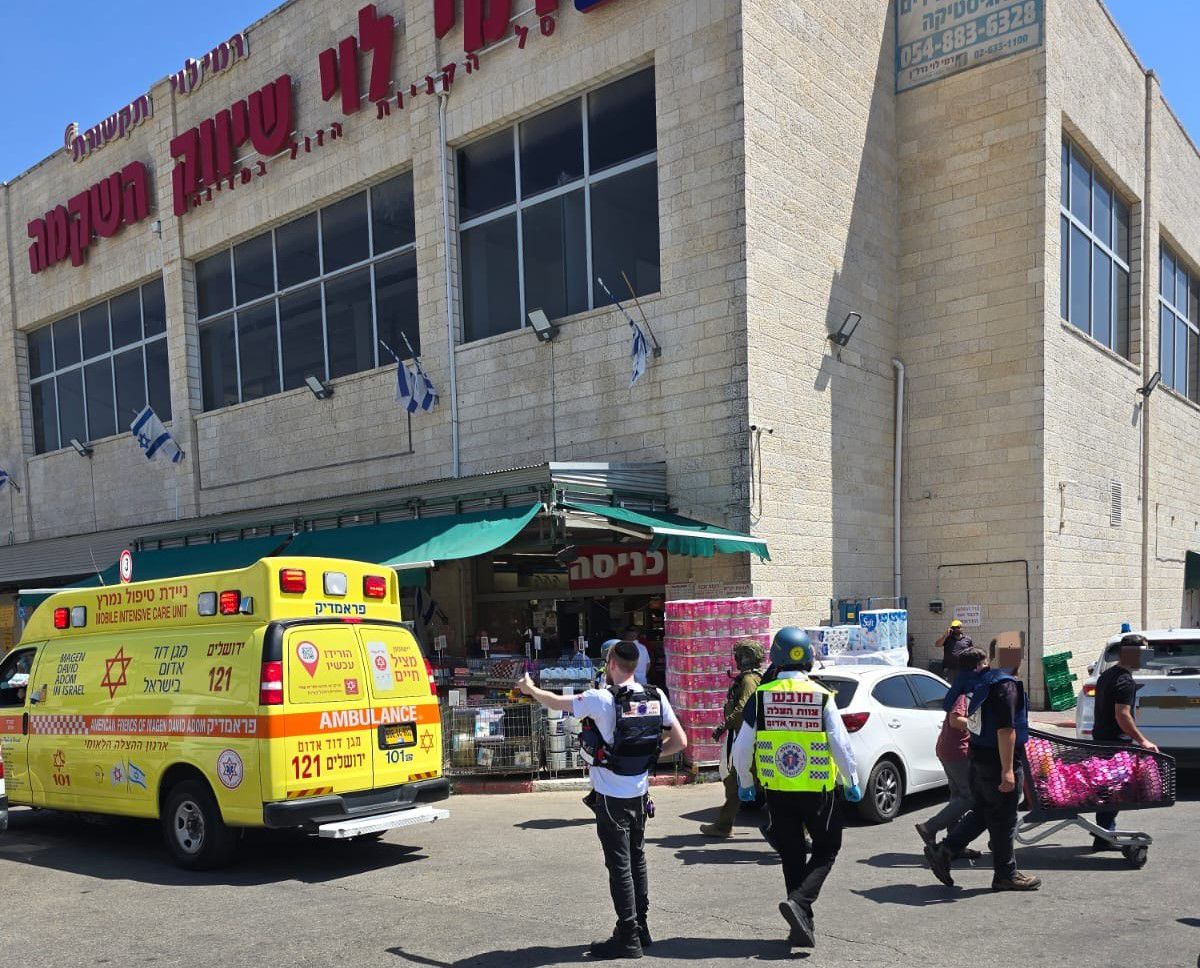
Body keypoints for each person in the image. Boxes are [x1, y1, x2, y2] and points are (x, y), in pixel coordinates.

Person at [517, 641, 686, 959]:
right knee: (637, 861)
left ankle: (628, 937)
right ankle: (641, 928)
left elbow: (555, 701)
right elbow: (680, 741)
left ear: (611, 664)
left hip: (611, 798)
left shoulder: (601, 698)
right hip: (640, 793)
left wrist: (529, 688)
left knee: (619, 866)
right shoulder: (655, 696)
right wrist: (648, 757)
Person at [732, 628, 861, 949]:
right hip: (818, 789)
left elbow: (742, 747)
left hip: (777, 790)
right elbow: (841, 745)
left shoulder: (762, 696)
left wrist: (745, 783)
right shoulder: (820, 695)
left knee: (791, 854)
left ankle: (801, 924)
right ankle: (800, 903)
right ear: (808, 658)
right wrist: (851, 780)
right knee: (827, 849)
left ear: (774, 657)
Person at [924, 644, 1041, 892]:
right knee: (1004, 818)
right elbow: (1006, 729)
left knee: (983, 812)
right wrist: (1007, 770)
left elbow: (977, 722)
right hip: (997, 760)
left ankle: (945, 851)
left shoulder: (983, 682)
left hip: (978, 757)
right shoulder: (1005, 686)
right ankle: (1005, 875)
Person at [915, 646, 987, 855]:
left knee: (958, 797)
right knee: (969, 797)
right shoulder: (963, 691)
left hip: (949, 749)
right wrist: (981, 727)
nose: (987, 667)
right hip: (957, 751)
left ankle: (955, 844)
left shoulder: (967, 687)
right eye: (984, 664)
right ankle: (930, 827)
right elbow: (956, 720)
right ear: (976, 667)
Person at [1091, 634, 1158, 851]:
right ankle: (1105, 834)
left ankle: (1103, 834)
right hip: (1115, 743)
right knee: (1114, 790)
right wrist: (1143, 741)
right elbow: (1122, 715)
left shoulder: (1107, 675)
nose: (1146, 658)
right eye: (1144, 653)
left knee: (1108, 790)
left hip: (1102, 739)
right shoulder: (1125, 680)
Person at [700, 639, 765, 839]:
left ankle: (723, 826)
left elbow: (743, 709)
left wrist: (723, 726)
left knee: (734, 782)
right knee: (736, 781)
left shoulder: (749, 680)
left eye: (738, 656)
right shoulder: (751, 678)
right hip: (746, 737)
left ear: (745, 657)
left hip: (746, 738)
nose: (736, 660)